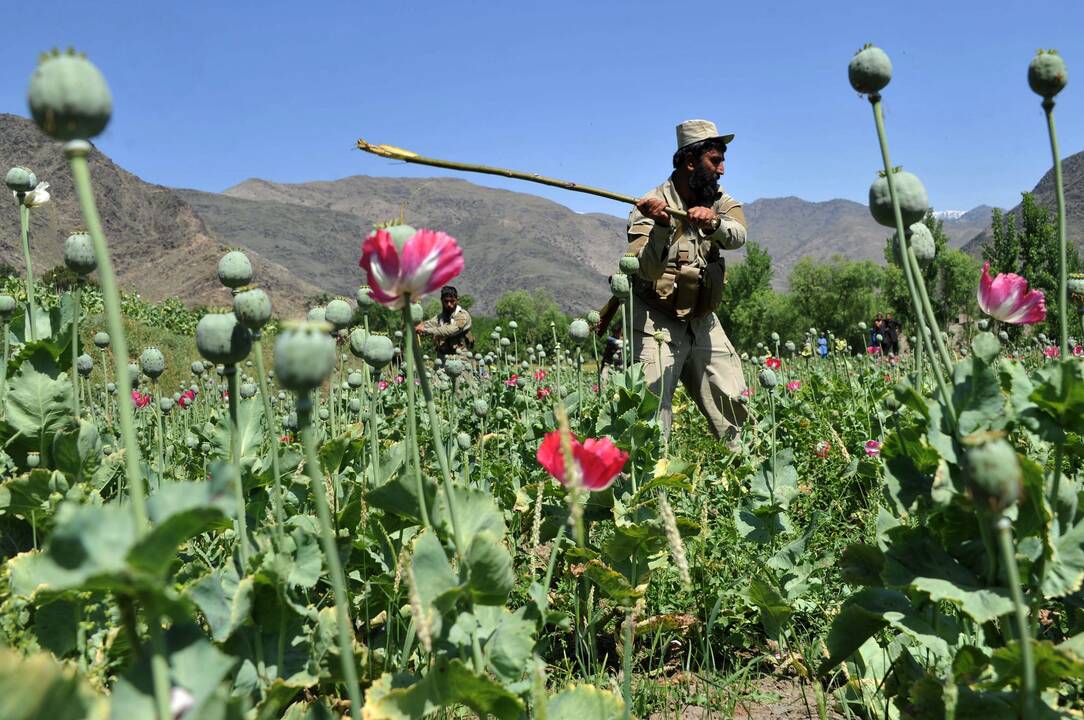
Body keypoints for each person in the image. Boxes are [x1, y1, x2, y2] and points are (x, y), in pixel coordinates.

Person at [627, 119, 748, 446]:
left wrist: (715, 223)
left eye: (723, 160)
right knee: (649, 420)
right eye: (715, 160)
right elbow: (646, 271)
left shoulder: (719, 199)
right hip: (656, 321)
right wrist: (663, 226)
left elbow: (739, 236)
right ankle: (651, 492)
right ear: (691, 161)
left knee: (735, 408)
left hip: (703, 321)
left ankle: (745, 479)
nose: (722, 169)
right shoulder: (649, 205)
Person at [415, 285, 473, 357]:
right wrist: (418, 326)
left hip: (461, 358)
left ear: (457, 300)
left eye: (452, 301)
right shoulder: (441, 317)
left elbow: (450, 330)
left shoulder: (462, 315)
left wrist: (426, 330)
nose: (449, 304)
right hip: (443, 357)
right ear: (442, 300)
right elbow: (429, 324)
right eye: (446, 301)